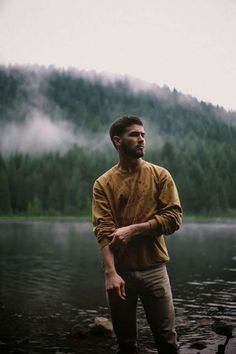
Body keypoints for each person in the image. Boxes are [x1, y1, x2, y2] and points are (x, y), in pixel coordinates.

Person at [92, 115, 183, 354]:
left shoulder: (160, 175)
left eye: (143, 134)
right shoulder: (103, 183)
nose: (141, 139)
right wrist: (111, 274)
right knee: (125, 343)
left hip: (154, 268)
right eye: (135, 134)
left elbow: (174, 219)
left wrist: (133, 230)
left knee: (167, 341)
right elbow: (102, 231)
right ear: (117, 141)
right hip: (120, 271)